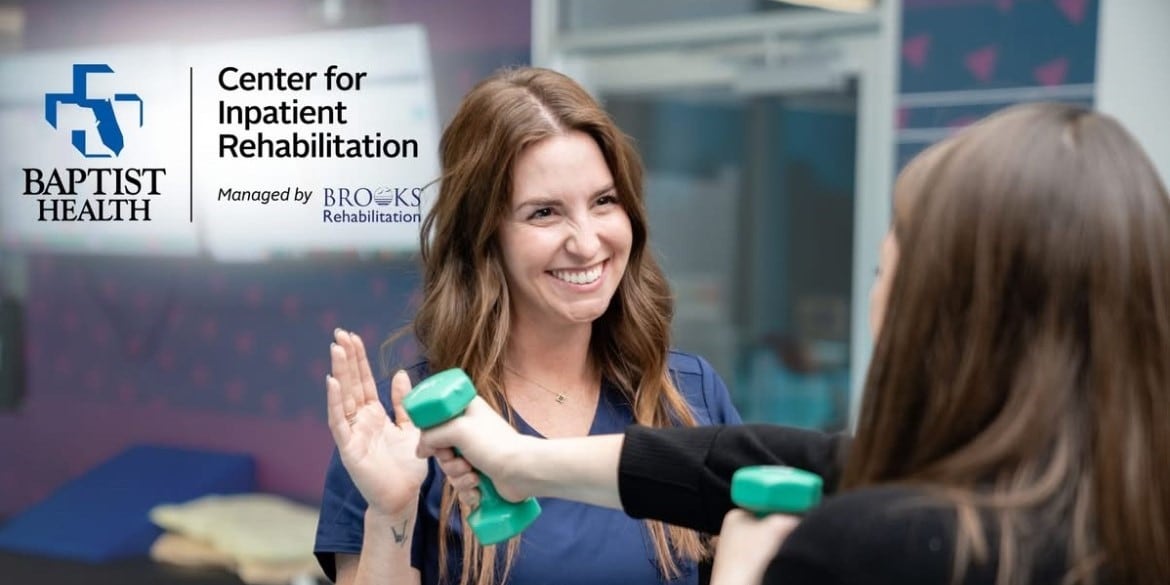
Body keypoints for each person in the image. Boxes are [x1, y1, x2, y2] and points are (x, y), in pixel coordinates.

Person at [411, 102, 1170, 585]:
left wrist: (744, 573)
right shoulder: (1121, 508)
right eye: (544, 212)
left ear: (941, 311)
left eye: (884, 266)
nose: (585, 238)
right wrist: (520, 462)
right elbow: (762, 461)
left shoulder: (870, 547)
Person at [314, 66, 742, 585]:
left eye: (604, 201)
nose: (587, 242)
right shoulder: (402, 429)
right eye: (544, 213)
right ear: (484, 237)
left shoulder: (688, 396)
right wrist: (392, 514)